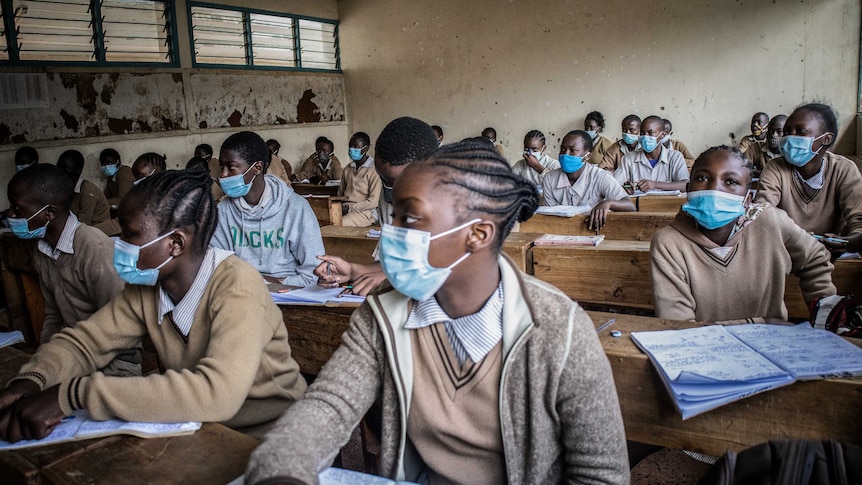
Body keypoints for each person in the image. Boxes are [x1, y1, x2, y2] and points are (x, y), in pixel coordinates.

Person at [246, 140, 629, 484]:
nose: (391, 232)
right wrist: (281, 472)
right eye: (393, 216)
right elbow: (328, 407)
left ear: (477, 234)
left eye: (409, 219)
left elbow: (601, 475)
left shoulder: (559, 329)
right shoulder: (383, 313)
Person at [0, 167, 307, 442]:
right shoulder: (146, 287)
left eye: (131, 235)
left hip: (275, 434)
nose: (119, 245)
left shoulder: (237, 284)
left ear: (175, 244)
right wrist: (33, 378)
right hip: (203, 428)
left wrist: (73, 394)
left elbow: (217, 393)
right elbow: (85, 342)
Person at [651, 146, 836, 323]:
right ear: (688, 188)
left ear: (747, 199)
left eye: (730, 182)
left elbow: (815, 259)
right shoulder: (669, 242)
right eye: (702, 178)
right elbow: (679, 326)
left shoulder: (770, 222)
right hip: (704, 350)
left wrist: (826, 315)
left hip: (775, 346)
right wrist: (761, 324)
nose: (715, 189)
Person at [7, 164, 140, 374]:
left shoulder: (96, 251)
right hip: (72, 352)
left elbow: (123, 328)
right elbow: (53, 314)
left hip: (114, 360)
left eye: (17, 208)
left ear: (49, 213)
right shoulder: (42, 250)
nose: (10, 215)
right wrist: (45, 361)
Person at [314, 116, 439, 296]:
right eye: (384, 180)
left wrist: (392, 280)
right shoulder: (387, 199)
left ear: (428, 172)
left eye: (397, 182)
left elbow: (455, 273)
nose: (389, 191)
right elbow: (386, 267)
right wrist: (351, 270)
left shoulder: (454, 209)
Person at [210, 131, 324, 286]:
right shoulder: (222, 211)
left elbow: (314, 273)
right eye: (222, 167)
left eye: (231, 167)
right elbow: (217, 269)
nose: (223, 175)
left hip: (290, 293)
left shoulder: (296, 208)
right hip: (239, 293)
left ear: (257, 167)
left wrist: (270, 282)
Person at [755, 103, 862, 256]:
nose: (790, 137)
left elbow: (858, 220)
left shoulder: (843, 169)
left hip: (833, 255)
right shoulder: (775, 168)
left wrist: (848, 242)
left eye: (801, 131)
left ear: (826, 139)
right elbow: (764, 213)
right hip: (786, 250)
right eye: (787, 132)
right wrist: (792, 238)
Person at [542, 130, 636, 230]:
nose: (566, 154)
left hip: (593, 231)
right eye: (563, 149)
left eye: (572, 150)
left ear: (587, 156)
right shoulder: (550, 178)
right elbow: (549, 215)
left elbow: (630, 206)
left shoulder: (600, 177)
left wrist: (608, 203)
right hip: (561, 230)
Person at [614, 115, 689, 194]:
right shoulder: (629, 158)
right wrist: (626, 187)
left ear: (662, 135)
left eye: (650, 133)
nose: (645, 137)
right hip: (638, 205)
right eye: (642, 133)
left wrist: (655, 184)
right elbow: (614, 185)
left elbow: (685, 186)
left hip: (668, 205)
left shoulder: (675, 157)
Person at [56, 150, 111, 229]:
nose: (60, 171)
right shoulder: (67, 188)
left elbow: (83, 225)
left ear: (78, 170)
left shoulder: (88, 192)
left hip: (96, 232)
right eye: (59, 167)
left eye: (66, 168)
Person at [338, 132, 382, 227]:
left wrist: (350, 208)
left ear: (365, 149)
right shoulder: (348, 168)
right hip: (345, 209)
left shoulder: (374, 169)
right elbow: (340, 194)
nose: (351, 149)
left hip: (365, 212)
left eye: (355, 146)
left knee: (339, 224)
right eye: (350, 146)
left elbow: (373, 201)